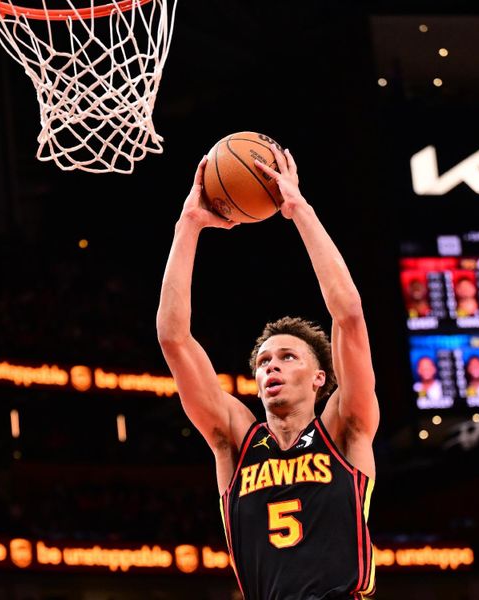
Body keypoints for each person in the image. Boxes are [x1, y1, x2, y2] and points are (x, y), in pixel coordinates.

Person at [157, 146, 379, 599]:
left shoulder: (344, 427)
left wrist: (297, 209)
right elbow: (173, 340)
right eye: (263, 361)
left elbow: (350, 315)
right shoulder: (235, 440)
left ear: (321, 378)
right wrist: (189, 225)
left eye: (288, 357)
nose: (271, 365)